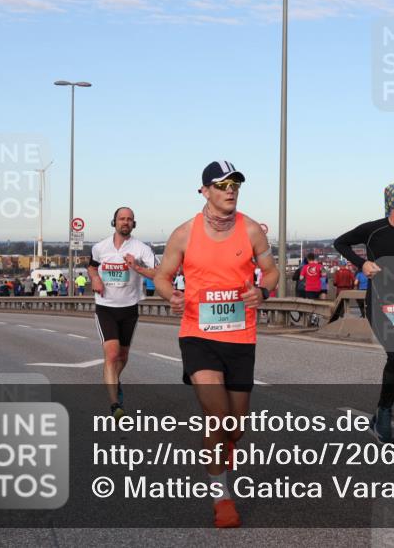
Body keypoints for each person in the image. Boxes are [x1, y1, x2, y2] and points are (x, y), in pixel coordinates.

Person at [154, 161, 277, 529]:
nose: (230, 190)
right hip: (198, 335)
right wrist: (170, 295)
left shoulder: (251, 230)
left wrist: (263, 290)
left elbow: (271, 271)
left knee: (236, 427)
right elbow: (163, 276)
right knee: (217, 418)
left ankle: (227, 442)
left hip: (240, 337)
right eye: (221, 184)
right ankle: (222, 497)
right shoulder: (184, 234)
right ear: (204, 191)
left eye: (235, 183)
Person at [334, 182, 394, 444]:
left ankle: (381, 409)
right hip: (377, 302)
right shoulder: (373, 230)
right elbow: (340, 243)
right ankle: (386, 412)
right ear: (393, 204)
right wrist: (362, 263)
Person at [88, 206, 158, 420]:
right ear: (114, 222)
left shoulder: (142, 249)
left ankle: (113, 381)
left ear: (133, 223)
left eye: (129, 219)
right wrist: (96, 279)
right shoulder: (100, 247)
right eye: (121, 219)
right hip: (106, 307)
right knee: (112, 353)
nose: (125, 222)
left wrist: (136, 267)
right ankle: (115, 404)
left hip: (129, 308)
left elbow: (158, 274)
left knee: (123, 356)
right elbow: (91, 266)